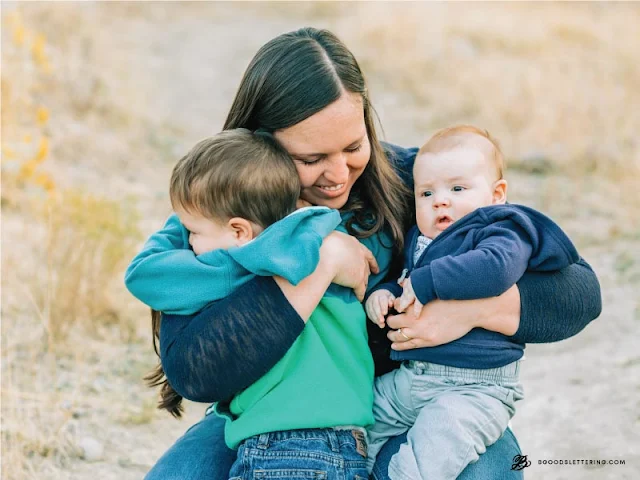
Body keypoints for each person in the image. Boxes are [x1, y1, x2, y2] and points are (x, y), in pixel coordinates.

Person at [131, 28, 601, 480]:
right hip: (266, 421)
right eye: (311, 159)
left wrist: (474, 310)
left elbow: (579, 292)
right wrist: (321, 264)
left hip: (418, 405)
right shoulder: (220, 211)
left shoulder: (419, 187)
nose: (338, 174)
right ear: (260, 142)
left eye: (353, 146)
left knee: (485, 467)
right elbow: (193, 370)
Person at [126, 128, 379, 478]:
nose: (189, 241)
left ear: (239, 232)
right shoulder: (321, 236)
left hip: (284, 449)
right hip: (345, 444)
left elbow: (145, 275)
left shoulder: (239, 264)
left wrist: (176, 225)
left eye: (193, 232)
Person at [364, 125, 580, 479]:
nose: (440, 200)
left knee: (427, 458)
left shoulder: (501, 230)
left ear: (497, 194)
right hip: (412, 379)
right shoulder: (422, 238)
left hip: (473, 389)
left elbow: (495, 270)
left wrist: (426, 282)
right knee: (359, 424)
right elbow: (406, 280)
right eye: (427, 193)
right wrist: (383, 294)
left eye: (458, 188)